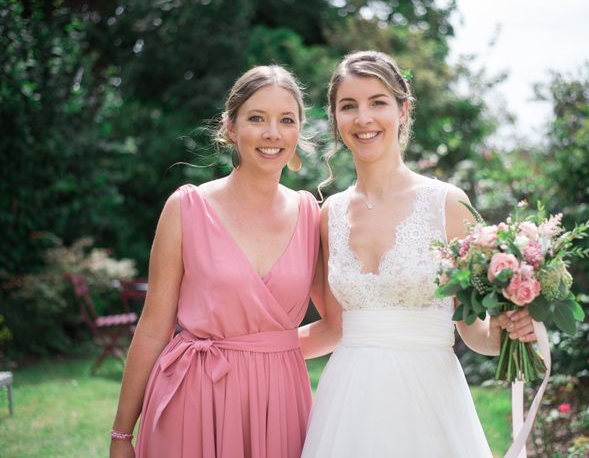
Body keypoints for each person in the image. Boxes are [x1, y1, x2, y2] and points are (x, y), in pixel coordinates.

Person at [299, 51, 537, 457]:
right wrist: (244, 350)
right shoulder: (329, 214)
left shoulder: (447, 204)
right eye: (348, 106)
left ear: (403, 110)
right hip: (346, 403)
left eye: (378, 102)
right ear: (335, 119)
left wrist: (506, 330)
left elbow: (474, 332)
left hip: (429, 397)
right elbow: (333, 327)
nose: (363, 118)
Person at [110, 65, 321, 458]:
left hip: (280, 404)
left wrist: (266, 354)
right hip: (192, 397)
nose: (272, 132)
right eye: (256, 118)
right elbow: (154, 328)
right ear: (230, 127)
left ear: (298, 132)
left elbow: (338, 325)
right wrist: (122, 434)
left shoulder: (312, 215)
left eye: (286, 120)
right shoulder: (186, 207)